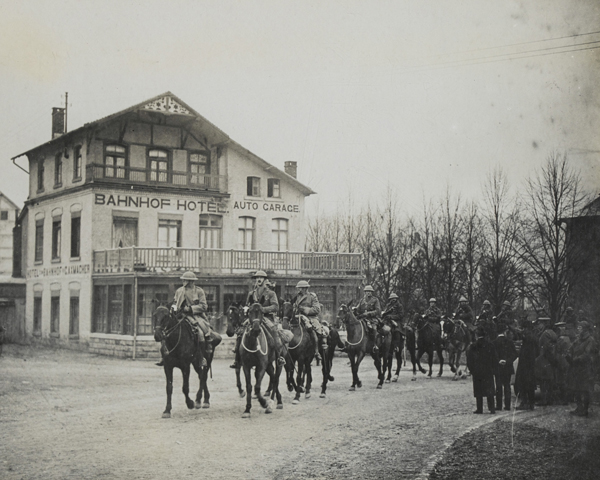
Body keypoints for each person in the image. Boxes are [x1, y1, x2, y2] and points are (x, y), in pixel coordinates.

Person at [230, 271, 287, 369]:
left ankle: (279, 357)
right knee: (241, 331)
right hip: (253, 318)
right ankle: (237, 359)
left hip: (266, 317)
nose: (259, 279)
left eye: (261, 277)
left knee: (274, 331)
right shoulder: (251, 293)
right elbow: (248, 305)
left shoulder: (270, 293)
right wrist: (246, 309)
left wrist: (263, 309)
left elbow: (275, 307)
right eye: (257, 278)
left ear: (265, 280)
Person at [157, 271, 211, 368]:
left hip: (195, 316)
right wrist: (174, 307)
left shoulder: (199, 291)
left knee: (201, 333)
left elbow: (204, 306)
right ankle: (164, 356)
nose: (184, 282)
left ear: (191, 281)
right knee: (166, 329)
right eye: (183, 280)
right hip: (180, 315)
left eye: (185, 280)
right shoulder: (179, 291)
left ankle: (201, 357)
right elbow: (175, 301)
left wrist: (190, 309)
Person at [566, 320, 599, 417]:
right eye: (578, 327)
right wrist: (568, 354)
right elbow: (572, 347)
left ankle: (584, 409)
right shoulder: (578, 339)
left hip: (586, 369)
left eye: (580, 328)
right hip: (577, 368)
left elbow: (587, 354)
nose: (578, 329)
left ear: (585, 329)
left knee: (585, 390)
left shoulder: (590, 340)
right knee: (576, 389)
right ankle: (579, 408)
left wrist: (576, 359)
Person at [292, 280, 326, 362]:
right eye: (298, 288)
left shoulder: (312, 296)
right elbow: (293, 307)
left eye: (301, 288)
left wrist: (304, 309)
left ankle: (317, 351)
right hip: (298, 317)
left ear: (305, 288)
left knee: (316, 331)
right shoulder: (297, 297)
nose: (299, 290)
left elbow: (317, 309)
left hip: (311, 318)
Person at [466, 327, 498, 414]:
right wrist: (493, 369)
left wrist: (471, 370)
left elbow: (469, 360)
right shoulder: (490, 345)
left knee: (478, 390)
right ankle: (492, 408)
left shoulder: (473, 346)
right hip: (488, 370)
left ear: (476, 335)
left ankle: (479, 409)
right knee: (489, 390)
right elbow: (495, 358)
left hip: (477, 371)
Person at [514, 319, 539, 410]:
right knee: (530, 385)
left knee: (523, 384)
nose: (523, 330)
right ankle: (531, 403)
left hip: (525, 364)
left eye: (524, 328)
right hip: (531, 364)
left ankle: (525, 403)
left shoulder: (528, 337)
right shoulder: (533, 337)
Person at [493, 321, 518, 411]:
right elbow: (515, 354)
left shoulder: (494, 343)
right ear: (504, 331)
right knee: (507, 385)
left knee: (498, 386)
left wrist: (498, 361)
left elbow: (492, 355)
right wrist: (507, 361)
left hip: (498, 367)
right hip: (507, 367)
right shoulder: (509, 342)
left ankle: (498, 405)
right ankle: (507, 405)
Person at [534, 317, 557, 406]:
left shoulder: (545, 334)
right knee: (549, 380)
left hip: (544, 359)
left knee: (543, 381)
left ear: (543, 323)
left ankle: (544, 400)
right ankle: (549, 399)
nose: (539, 325)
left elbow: (545, 347)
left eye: (540, 323)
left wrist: (540, 358)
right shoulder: (552, 333)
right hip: (551, 359)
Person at [356, 285, 382, 353]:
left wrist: (369, 313)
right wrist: (355, 310)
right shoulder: (362, 300)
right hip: (362, 319)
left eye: (370, 291)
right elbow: (358, 309)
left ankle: (374, 345)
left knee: (374, 329)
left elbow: (378, 310)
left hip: (372, 319)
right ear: (365, 292)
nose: (368, 293)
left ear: (372, 292)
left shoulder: (375, 300)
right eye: (367, 291)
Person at [553, 322, 572, 405]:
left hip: (561, 360)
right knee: (564, 380)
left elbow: (557, 349)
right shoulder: (567, 338)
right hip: (566, 360)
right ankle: (566, 398)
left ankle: (564, 399)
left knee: (561, 380)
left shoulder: (561, 338)